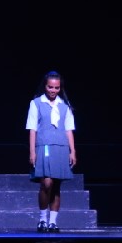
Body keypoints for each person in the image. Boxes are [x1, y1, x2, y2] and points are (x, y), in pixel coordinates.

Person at [27, 70, 77, 233]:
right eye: (50, 87)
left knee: (56, 186)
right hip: (44, 146)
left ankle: (53, 222)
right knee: (46, 183)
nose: (53, 90)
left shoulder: (65, 106)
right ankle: (42, 219)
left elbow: (69, 129)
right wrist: (32, 151)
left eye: (56, 88)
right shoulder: (36, 103)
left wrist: (72, 151)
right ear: (45, 86)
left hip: (61, 147)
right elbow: (32, 129)